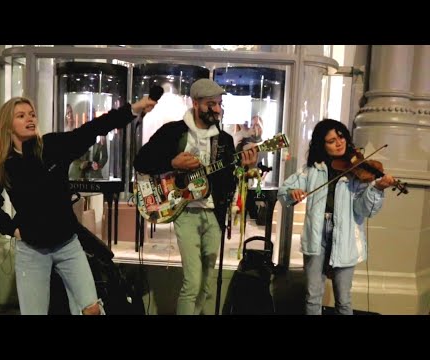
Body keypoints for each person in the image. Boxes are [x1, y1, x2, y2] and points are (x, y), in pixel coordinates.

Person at [0, 95, 157, 315]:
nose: (30, 119)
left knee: (91, 309)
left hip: (67, 245)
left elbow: (93, 129)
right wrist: (12, 229)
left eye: (32, 114)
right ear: (7, 125)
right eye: (21, 116)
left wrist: (134, 109)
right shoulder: (1, 159)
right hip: (32, 251)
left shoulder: (51, 146)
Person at [134, 79, 257, 315]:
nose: (217, 109)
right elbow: (140, 161)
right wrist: (171, 162)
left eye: (219, 104)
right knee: (192, 281)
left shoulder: (224, 141)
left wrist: (241, 167)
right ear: (196, 103)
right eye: (211, 104)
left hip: (214, 215)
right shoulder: (173, 132)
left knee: (207, 283)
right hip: (186, 212)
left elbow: (227, 182)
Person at [277, 119, 396, 315]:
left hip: (345, 237)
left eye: (341, 137)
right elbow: (284, 192)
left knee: (344, 299)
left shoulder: (357, 172)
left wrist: (377, 188)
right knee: (312, 296)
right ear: (321, 145)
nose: (339, 143)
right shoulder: (312, 170)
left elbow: (364, 210)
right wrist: (292, 193)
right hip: (317, 234)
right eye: (331, 141)